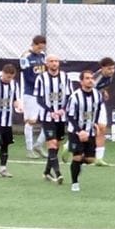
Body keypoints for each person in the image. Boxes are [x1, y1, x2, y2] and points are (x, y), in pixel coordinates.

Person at [35, 54, 74, 183]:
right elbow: (39, 98)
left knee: (56, 145)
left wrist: (63, 109)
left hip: (61, 117)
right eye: (51, 61)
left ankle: (46, 172)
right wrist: (50, 111)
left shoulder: (65, 77)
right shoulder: (41, 78)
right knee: (51, 143)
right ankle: (58, 174)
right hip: (48, 117)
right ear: (47, 63)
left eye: (56, 61)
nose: (54, 63)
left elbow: (69, 95)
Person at [65, 69, 105, 192]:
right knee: (77, 157)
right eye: (87, 78)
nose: (90, 80)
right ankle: (75, 183)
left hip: (90, 131)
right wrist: (79, 131)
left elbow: (97, 111)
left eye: (91, 78)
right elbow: (69, 115)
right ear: (81, 81)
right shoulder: (75, 96)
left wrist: (96, 124)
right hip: (76, 131)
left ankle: (71, 153)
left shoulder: (97, 95)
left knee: (90, 160)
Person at [19, 34, 48, 158]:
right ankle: (29, 149)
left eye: (42, 48)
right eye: (40, 48)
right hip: (30, 93)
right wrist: (39, 84)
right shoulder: (25, 57)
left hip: (43, 93)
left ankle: (39, 145)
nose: (41, 50)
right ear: (35, 44)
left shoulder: (43, 56)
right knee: (31, 121)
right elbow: (27, 77)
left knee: (48, 119)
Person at [92, 57, 115, 166]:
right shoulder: (96, 78)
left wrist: (104, 92)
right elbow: (87, 90)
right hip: (91, 105)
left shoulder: (109, 76)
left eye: (113, 68)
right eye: (109, 69)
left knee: (102, 128)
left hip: (100, 103)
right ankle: (69, 145)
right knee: (88, 129)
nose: (112, 71)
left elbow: (102, 87)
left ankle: (99, 158)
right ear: (102, 68)